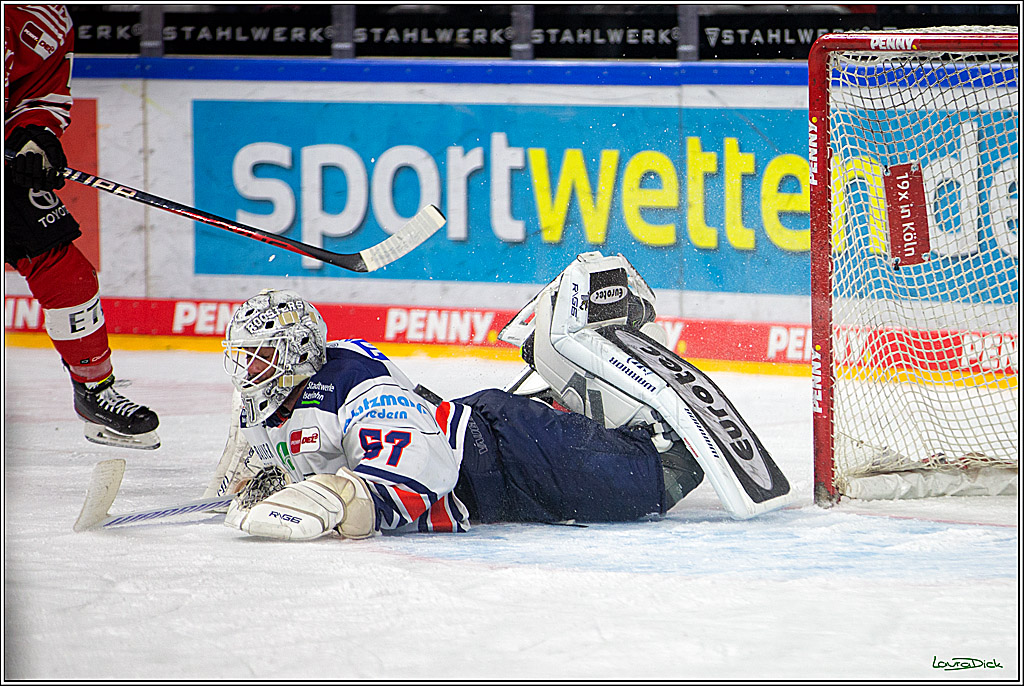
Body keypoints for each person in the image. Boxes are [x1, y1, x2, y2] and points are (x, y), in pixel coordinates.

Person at [217, 257, 705, 541]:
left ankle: (611, 361)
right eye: (242, 357)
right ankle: (566, 402)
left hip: (508, 451)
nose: (247, 370)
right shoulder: (258, 409)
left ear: (297, 353)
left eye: (259, 356)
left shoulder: (352, 378)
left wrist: (344, 497)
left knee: (665, 473)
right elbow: (234, 485)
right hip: (497, 483)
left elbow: (422, 466)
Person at [4, 4, 159, 449]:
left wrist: (34, 137)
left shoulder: (44, 14)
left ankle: (95, 391)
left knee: (67, 272)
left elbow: (37, 95)